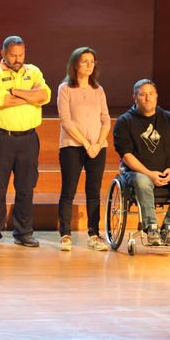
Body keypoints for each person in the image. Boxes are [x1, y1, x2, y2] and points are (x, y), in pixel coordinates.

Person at [0, 36, 50, 247]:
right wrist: (30, 96)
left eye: (21, 55)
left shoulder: (33, 71)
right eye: (13, 55)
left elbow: (44, 96)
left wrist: (15, 92)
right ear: (3, 53)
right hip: (1, 138)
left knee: (26, 187)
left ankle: (23, 232)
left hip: (28, 139)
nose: (18, 59)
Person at [112, 79, 170, 247]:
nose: (147, 98)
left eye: (151, 94)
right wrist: (149, 173)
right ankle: (151, 227)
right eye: (142, 94)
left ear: (156, 96)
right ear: (134, 97)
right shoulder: (124, 121)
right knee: (142, 180)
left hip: (167, 173)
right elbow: (126, 155)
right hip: (137, 174)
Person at [55, 46, 111, 252]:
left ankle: (94, 234)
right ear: (75, 64)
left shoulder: (98, 90)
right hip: (73, 146)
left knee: (94, 192)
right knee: (68, 191)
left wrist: (98, 143)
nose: (89, 65)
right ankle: (65, 234)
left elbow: (106, 119)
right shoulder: (65, 88)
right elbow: (66, 121)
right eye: (84, 61)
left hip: (97, 147)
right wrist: (86, 144)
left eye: (92, 61)